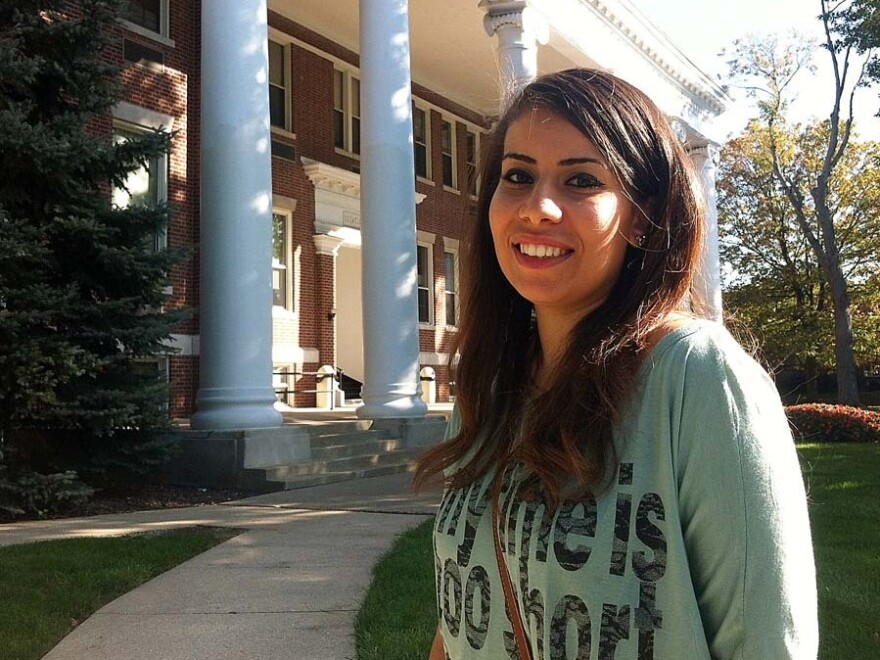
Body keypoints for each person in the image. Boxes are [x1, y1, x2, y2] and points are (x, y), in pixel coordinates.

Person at [414, 69, 818, 660]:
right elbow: (460, 624)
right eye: (518, 176)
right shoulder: (490, 389)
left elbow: (768, 643)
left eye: (581, 180)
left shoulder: (699, 379)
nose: (537, 208)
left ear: (640, 214)